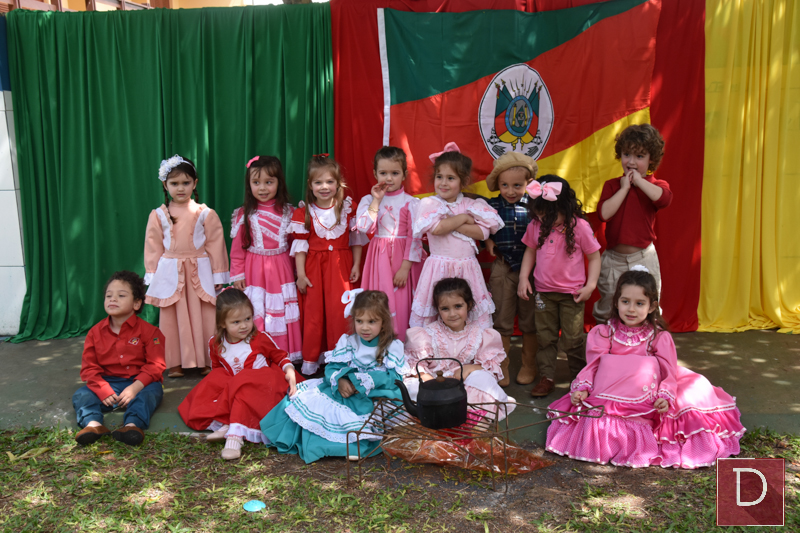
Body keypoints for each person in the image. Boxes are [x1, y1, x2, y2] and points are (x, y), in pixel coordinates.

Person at [546, 268, 744, 468]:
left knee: (693, 391)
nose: (631, 309)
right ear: (616, 302)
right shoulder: (604, 333)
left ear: (652, 307)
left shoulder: (658, 337)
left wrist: (665, 395)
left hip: (646, 397)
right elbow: (594, 365)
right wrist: (583, 388)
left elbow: (667, 371)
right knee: (593, 411)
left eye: (639, 303)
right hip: (610, 394)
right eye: (625, 301)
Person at [260, 290, 409, 463]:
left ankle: (355, 445)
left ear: (383, 322)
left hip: (375, 394)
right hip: (347, 393)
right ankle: (323, 443)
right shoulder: (349, 342)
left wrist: (368, 380)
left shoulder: (392, 346)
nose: (365, 327)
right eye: (359, 321)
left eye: (372, 321)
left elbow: (395, 377)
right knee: (316, 403)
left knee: (360, 417)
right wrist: (340, 380)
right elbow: (333, 367)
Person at [178, 288, 299, 460]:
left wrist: (289, 371)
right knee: (218, 379)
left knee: (243, 381)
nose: (244, 326)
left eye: (247, 319)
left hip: (261, 389)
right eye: (236, 322)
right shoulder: (216, 344)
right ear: (222, 323)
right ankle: (227, 423)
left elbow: (280, 356)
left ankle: (234, 438)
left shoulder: (259, 338)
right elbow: (217, 369)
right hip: (235, 389)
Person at [144, 155, 230, 377]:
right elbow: (153, 246)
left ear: (195, 183)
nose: (180, 188)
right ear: (165, 185)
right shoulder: (158, 215)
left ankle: (206, 359)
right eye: (174, 183)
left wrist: (218, 274)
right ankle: (175, 362)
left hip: (199, 271)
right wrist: (152, 274)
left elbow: (215, 244)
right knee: (172, 317)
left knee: (204, 314)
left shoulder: (205, 213)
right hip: (170, 272)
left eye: (186, 182)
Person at [517, 175, 601, 397]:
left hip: (572, 295)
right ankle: (547, 377)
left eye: (548, 215)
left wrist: (590, 286)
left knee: (573, 339)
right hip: (543, 293)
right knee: (545, 337)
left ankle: (580, 378)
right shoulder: (536, 225)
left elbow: (594, 257)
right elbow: (530, 251)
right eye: (539, 215)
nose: (543, 220)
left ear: (564, 207)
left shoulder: (579, 226)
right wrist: (524, 278)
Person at [289, 154, 369, 375]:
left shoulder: (347, 208)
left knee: (339, 311)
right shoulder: (304, 213)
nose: (324, 187)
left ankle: (342, 356)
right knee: (314, 313)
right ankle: (313, 358)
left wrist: (356, 265)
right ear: (310, 185)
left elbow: (355, 240)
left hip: (341, 267)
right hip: (315, 268)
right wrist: (301, 275)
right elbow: (300, 247)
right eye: (318, 182)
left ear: (338, 183)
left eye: (329, 181)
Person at [410, 143, 504, 329]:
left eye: (450, 178)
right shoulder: (430, 204)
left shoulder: (471, 204)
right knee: (439, 311)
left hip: (467, 269)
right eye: (439, 177)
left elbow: (483, 232)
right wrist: (463, 218)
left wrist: (454, 223)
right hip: (439, 269)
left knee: (467, 312)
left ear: (463, 181)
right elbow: (437, 228)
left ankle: (468, 344)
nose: (443, 183)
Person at [72, 271, 166, 446]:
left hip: (140, 383)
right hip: (108, 383)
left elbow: (156, 365)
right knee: (82, 395)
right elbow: (89, 368)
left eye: (121, 295)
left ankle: (131, 426)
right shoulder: (94, 333)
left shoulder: (150, 332)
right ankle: (93, 425)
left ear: (137, 303)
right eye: (109, 296)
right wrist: (103, 389)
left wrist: (135, 387)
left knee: (153, 391)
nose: (113, 299)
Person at [404, 278, 516, 421]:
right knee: (412, 386)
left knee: (483, 379)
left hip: (463, 385)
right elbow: (416, 366)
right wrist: (434, 384)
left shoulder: (479, 335)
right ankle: (432, 420)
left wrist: (470, 368)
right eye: (445, 309)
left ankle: (473, 420)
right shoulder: (427, 335)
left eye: (458, 306)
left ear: (469, 305)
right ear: (438, 309)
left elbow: (489, 366)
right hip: (433, 384)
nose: (452, 314)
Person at [593, 124, 672, 324]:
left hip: (643, 257)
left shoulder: (655, 185)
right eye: (627, 154)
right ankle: (606, 341)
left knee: (647, 306)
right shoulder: (613, 185)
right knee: (609, 306)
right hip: (614, 259)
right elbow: (604, 214)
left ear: (651, 159)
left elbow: (663, 199)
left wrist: (639, 181)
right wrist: (624, 188)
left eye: (640, 156)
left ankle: (648, 343)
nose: (631, 161)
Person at [230, 155, 301, 362]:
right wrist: (238, 274)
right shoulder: (245, 213)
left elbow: (296, 246)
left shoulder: (289, 212)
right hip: (255, 271)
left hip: (282, 270)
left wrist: (299, 272)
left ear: (279, 183)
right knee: (258, 308)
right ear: (249, 184)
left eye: (269, 182)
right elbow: (237, 249)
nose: (262, 188)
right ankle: (259, 354)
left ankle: (284, 354)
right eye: (256, 182)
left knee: (281, 311)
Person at [355, 146, 426, 341]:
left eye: (394, 173)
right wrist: (376, 201)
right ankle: (378, 342)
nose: (388, 178)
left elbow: (415, 237)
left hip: (403, 260)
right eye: (383, 173)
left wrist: (405, 267)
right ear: (375, 174)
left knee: (401, 300)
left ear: (404, 175)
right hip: (379, 260)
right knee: (379, 298)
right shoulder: (368, 200)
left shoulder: (411, 202)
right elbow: (363, 226)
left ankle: (400, 342)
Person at [485, 152, 540, 387]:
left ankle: (529, 365)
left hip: (532, 270)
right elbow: (481, 227)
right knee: (502, 318)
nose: (510, 191)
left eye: (517, 185)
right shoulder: (491, 206)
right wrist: (488, 241)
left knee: (530, 318)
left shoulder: (535, 206)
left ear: (529, 184)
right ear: (497, 184)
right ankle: (502, 366)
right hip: (503, 267)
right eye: (504, 185)